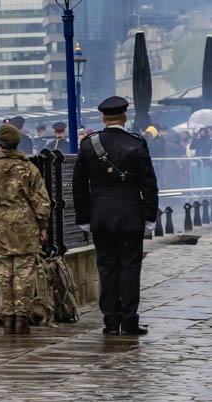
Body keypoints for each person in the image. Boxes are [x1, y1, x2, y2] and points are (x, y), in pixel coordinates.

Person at [73, 96, 158, 336]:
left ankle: (111, 321)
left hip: (101, 217)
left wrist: (84, 218)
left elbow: (79, 184)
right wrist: (150, 216)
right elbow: (148, 184)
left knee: (107, 268)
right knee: (131, 268)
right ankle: (129, 320)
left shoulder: (89, 144)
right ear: (124, 117)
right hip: (131, 216)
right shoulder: (137, 143)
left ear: (103, 119)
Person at [0, 124, 50, 335]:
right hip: (26, 229)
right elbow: (42, 202)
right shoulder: (29, 169)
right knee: (24, 275)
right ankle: (22, 319)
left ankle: (7, 318)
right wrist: (42, 225)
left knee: (2, 275)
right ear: (18, 143)